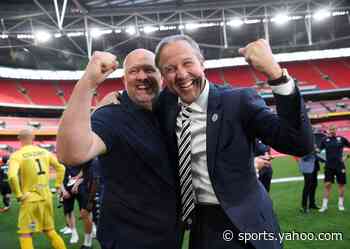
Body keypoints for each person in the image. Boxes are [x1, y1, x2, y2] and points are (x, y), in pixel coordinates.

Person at [155, 35, 313, 249]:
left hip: (248, 224)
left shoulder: (238, 101)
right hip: (203, 226)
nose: (181, 74)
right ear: (163, 76)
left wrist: (276, 74)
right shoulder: (165, 105)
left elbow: (298, 144)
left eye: (187, 63)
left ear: (202, 62)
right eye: (170, 69)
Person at [57, 49, 180, 249]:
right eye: (134, 71)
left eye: (149, 70)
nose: (142, 76)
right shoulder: (111, 115)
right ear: (124, 79)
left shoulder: (173, 107)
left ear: (162, 76)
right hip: (126, 238)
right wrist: (89, 82)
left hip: (170, 234)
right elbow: (70, 154)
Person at [8, 129, 66, 249]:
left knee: (25, 234)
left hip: (30, 199)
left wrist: (18, 195)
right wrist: (57, 185)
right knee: (50, 230)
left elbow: (12, 176)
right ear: (33, 138)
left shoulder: (17, 155)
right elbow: (61, 168)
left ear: (19, 138)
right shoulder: (45, 152)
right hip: (46, 196)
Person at [319, 125, 350, 212]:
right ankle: (324, 205)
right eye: (330, 129)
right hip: (329, 166)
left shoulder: (341, 139)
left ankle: (340, 204)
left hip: (340, 166)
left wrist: (347, 157)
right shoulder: (324, 140)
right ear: (328, 130)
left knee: (341, 184)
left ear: (336, 130)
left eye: (333, 129)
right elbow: (318, 151)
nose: (332, 131)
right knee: (327, 185)